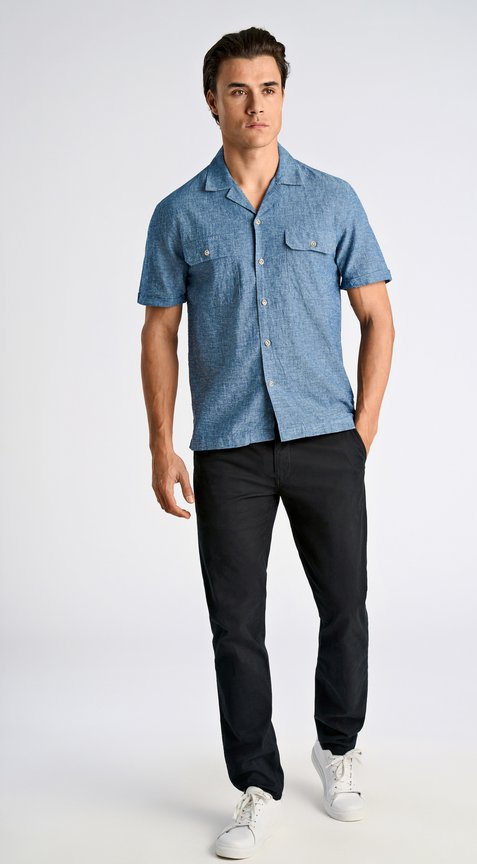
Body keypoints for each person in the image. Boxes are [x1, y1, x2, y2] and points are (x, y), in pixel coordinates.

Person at [137, 26, 395, 860]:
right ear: (211, 100)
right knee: (235, 624)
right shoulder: (180, 213)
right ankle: (256, 783)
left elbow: (378, 317)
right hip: (229, 447)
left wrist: (361, 431)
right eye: (238, 90)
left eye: (269, 89)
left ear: (284, 96)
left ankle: (339, 746)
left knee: (344, 604)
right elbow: (159, 333)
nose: (255, 105)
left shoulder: (333, 200)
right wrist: (162, 446)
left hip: (326, 439)